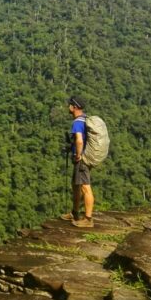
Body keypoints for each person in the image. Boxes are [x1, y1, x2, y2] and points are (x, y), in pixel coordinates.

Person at [60, 95, 95, 228]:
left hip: (82, 159)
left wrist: (78, 155)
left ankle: (88, 219)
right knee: (76, 186)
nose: (68, 107)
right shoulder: (85, 119)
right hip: (83, 157)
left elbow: (79, 140)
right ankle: (75, 212)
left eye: (69, 105)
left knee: (85, 187)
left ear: (74, 107)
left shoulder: (77, 123)